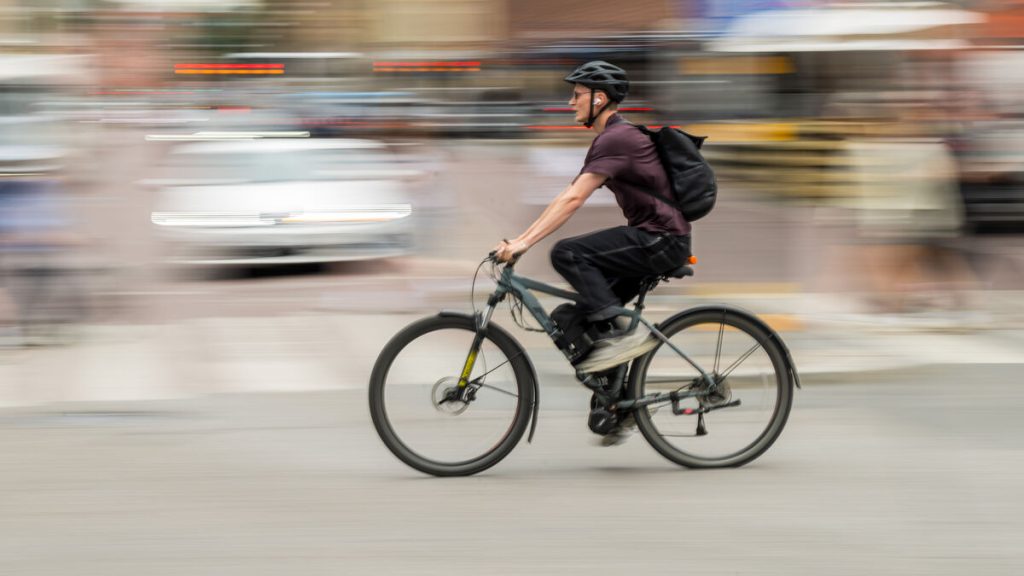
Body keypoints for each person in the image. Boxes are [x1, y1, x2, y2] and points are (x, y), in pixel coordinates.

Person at [494, 60, 692, 375]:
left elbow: (573, 199)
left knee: (567, 252)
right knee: (573, 319)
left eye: (577, 94)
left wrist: (525, 243)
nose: (571, 102)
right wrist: (520, 240)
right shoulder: (612, 139)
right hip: (655, 240)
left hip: (660, 240)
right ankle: (617, 406)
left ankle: (626, 339)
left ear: (598, 98)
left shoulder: (617, 139)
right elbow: (565, 196)